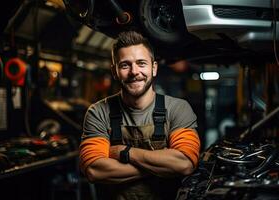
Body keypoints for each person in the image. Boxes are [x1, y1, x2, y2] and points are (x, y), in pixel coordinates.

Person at [79, 30, 200, 200]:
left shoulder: (177, 109)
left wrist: (125, 152)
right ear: (114, 71)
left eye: (141, 63)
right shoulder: (98, 112)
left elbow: (184, 163)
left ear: (154, 68)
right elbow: (94, 170)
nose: (134, 71)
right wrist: (161, 167)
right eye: (125, 65)